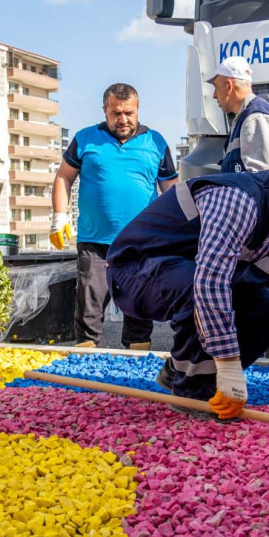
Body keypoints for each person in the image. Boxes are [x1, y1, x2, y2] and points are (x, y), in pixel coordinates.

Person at [106, 160, 269, 420]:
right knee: (203, 288)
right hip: (134, 272)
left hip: (183, 277)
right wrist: (229, 369)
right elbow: (211, 282)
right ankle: (192, 393)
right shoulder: (239, 201)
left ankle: (182, 371)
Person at [50, 83, 177, 349]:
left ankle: (138, 360)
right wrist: (59, 216)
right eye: (116, 113)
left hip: (141, 242)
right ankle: (86, 357)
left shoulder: (155, 142)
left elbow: (172, 190)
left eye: (129, 113)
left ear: (137, 109)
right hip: (95, 241)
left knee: (139, 304)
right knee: (89, 303)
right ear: (105, 110)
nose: (123, 119)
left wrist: (177, 230)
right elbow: (64, 176)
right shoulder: (85, 139)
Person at [210, 56, 269, 174]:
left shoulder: (255, 117)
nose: (214, 95)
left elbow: (260, 182)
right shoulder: (246, 116)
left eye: (216, 87)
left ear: (229, 86)